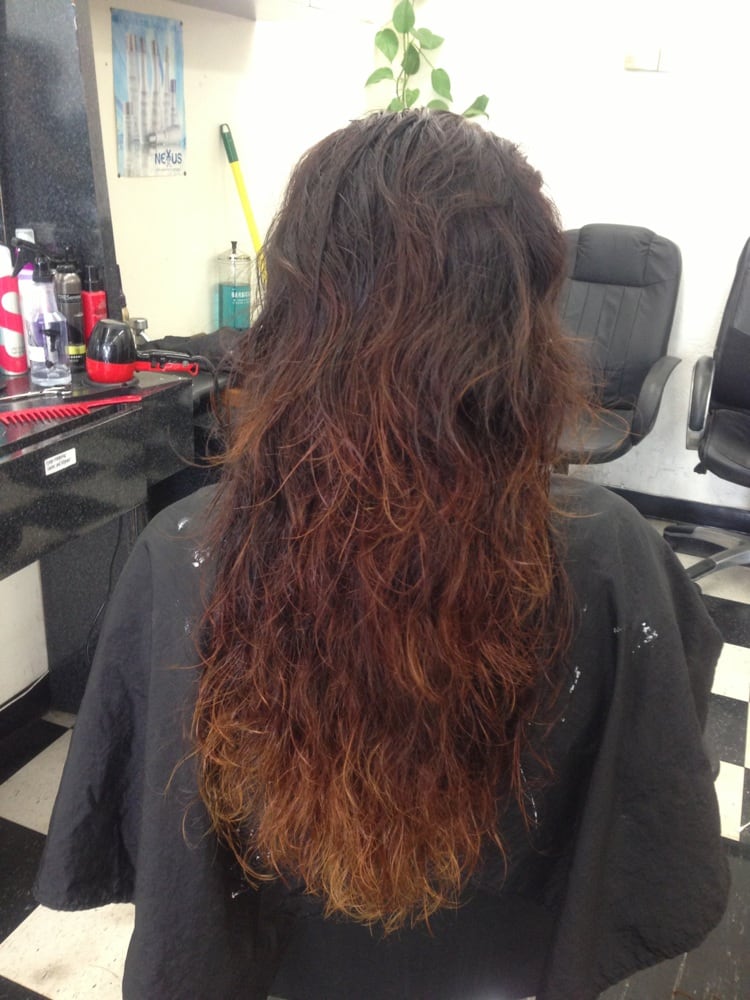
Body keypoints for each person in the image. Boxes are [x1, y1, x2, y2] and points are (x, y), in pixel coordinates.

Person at [35, 110, 728, 1000]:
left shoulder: (182, 553)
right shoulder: (612, 553)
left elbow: (150, 834)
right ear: (521, 323)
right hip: (503, 967)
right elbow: (654, 791)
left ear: (295, 314)